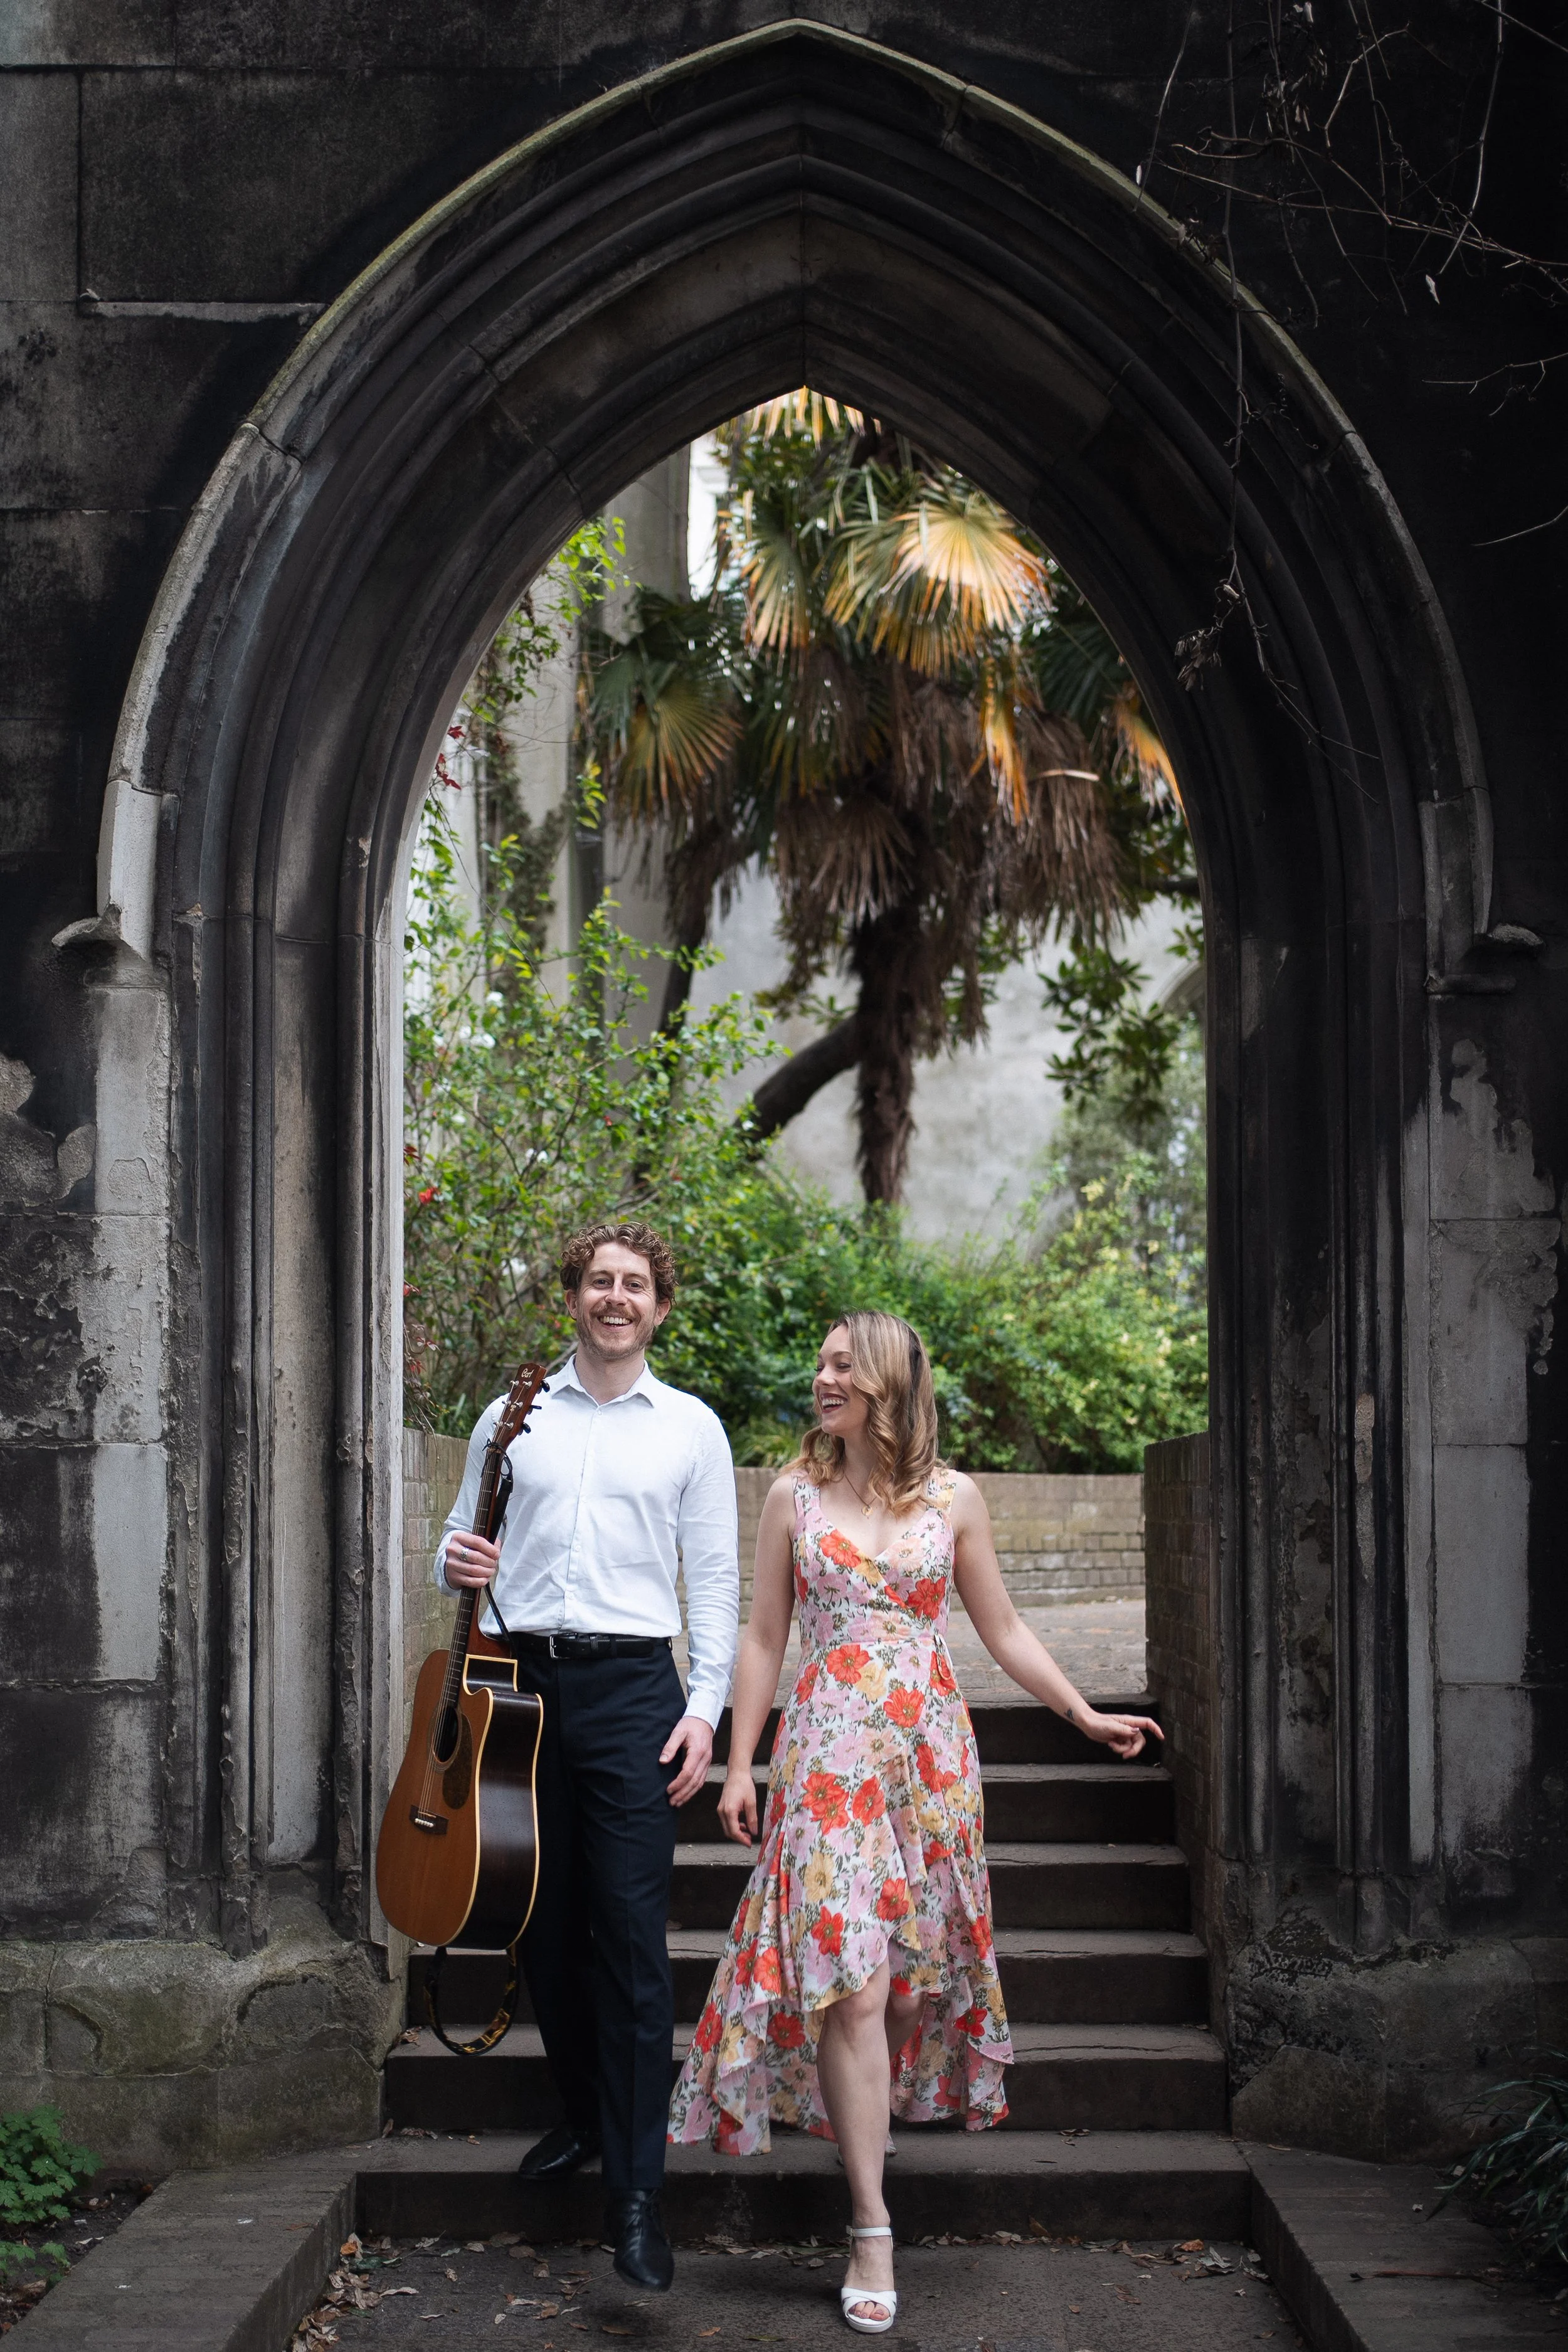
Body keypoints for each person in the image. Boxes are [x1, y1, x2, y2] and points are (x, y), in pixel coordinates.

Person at [668, 1310, 1160, 2334]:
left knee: (902, 1994)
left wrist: (1082, 1713)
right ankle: (869, 2222)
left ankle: (866, 2110)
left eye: (842, 1363)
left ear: (889, 1380)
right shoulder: (792, 1497)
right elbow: (765, 1635)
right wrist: (740, 1758)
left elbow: (1005, 1626)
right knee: (853, 1986)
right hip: (828, 1765)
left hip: (931, 1764)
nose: (822, 1376)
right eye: (819, 1361)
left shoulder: (956, 1500)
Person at [438, 1221, 739, 2293]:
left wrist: (704, 1710)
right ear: (574, 1295)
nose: (616, 1297)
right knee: (540, 1926)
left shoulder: (690, 1430)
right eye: (599, 1280)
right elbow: (453, 1546)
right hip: (519, 1687)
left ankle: (638, 2198)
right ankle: (580, 2113)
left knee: (630, 1939)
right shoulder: (511, 1416)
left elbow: (713, 1578)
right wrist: (455, 1555)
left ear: (660, 1305)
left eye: (635, 1284)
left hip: (630, 1695)